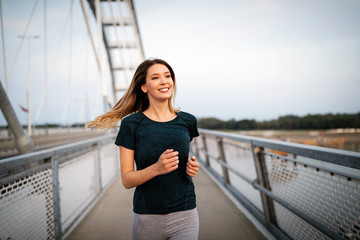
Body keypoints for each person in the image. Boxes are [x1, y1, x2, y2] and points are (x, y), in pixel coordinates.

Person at [87, 58, 200, 240]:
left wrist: (192, 166)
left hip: (185, 214)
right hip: (147, 218)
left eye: (168, 76)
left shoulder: (188, 121)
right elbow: (127, 179)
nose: (164, 81)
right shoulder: (131, 124)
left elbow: (185, 158)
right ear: (144, 87)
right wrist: (157, 169)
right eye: (155, 78)